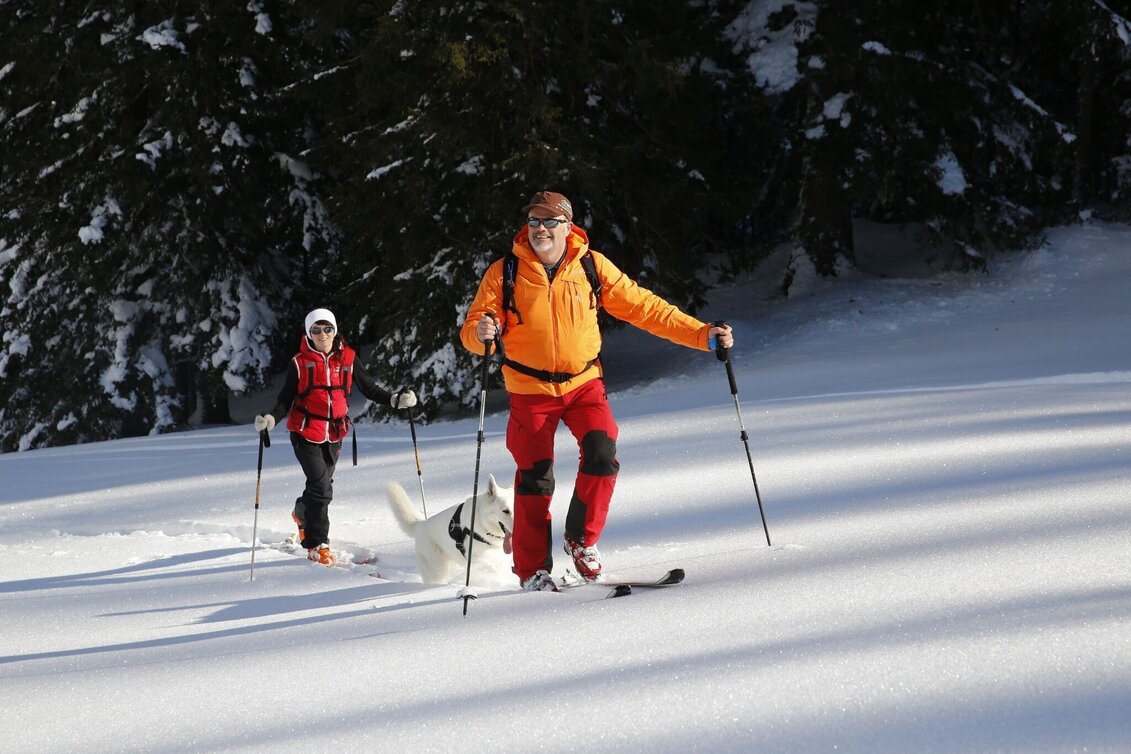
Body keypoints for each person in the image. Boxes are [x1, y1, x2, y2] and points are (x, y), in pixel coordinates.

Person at [459, 191, 734, 591]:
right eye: (533, 222)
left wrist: (701, 335)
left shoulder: (589, 265)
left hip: (583, 382)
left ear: (567, 226)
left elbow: (645, 307)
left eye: (548, 221)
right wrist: (481, 333)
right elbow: (474, 328)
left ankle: (581, 541)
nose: (539, 229)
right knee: (535, 479)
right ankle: (533, 570)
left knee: (603, 455)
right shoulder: (505, 273)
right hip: (529, 388)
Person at [254, 308, 417, 565]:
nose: (322, 334)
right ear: (308, 333)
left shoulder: (349, 358)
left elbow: (370, 388)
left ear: (335, 330)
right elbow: (285, 398)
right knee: (321, 487)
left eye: (327, 329)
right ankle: (317, 544)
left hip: (335, 432)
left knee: (321, 487)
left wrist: (395, 400)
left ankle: (301, 511)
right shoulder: (299, 362)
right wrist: (272, 418)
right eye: (316, 330)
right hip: (305, 432)